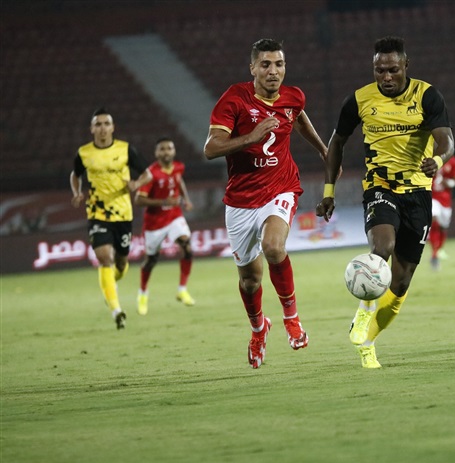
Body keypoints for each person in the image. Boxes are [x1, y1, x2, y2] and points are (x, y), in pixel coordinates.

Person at [316, 36, 455, 369]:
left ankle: (368, 342)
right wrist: (328, 191)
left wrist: (438, 160)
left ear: (406, 65)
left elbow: (446, 140)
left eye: (393, 69)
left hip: (418, 194)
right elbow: (337, 142)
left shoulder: (427, 96)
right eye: (380, 70)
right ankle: (364, 311)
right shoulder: (359, 100)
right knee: (382, 247)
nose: (386, 77)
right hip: (380, 187)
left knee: (401, 282)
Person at [203, 38, 328, 369]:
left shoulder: (293, 96)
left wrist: (323, 149)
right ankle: (259, 330)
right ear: (253, 68)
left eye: (279, 64)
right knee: (250, 280)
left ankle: (292, 318)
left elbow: (297, 116)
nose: (274, 71)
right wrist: (251, 137)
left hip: (280, 187)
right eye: (266, 65)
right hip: (241, 200)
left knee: (273, 247)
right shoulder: (235, 98)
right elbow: (211, 148)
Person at [70, 107, 153, 329]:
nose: (102, 128)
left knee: (121, 263)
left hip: (123, 214)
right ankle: (116, 310)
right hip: (97, 213)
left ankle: (109, 286)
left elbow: (148, 173)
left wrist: (136, 183)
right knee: (104, 257)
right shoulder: (84, 153)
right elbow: (75, 175)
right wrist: (76, 192)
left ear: (113, 127)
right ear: (92, 129)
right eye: (98, 124)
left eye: (106, 124)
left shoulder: (125, 150)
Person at [135, 137, 195, 316]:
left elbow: (179, 180)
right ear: (156, 153)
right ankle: (142, 294)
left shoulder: (178, 166)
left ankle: (182, 289)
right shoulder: (150, 174)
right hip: (155, 223)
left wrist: (186, 199)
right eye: (162, 149)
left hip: (174, 216)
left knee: (186, 245)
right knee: (151, 261)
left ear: (174, 151)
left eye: (169, 148)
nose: (166, 152)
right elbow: (138, 199)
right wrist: (163, 202)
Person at [429, 154, 455, 271]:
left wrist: (451, 183)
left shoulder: (453, 160)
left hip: (445, 200)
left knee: (443, 227)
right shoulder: (428, 157)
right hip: (431, 197)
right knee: (433, 219)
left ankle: (439, 249)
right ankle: (434, 254)